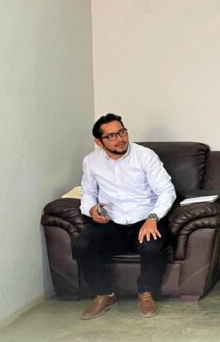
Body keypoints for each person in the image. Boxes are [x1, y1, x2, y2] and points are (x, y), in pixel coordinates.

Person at [74, 113, 176, 320]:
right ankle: (104, 294)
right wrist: (91, 209)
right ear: (99, 142)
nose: (120, 139)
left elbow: (167, 190)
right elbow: (88, 192)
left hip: (145, 218)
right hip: (111, 222)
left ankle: (146, 293)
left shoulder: (145, 156)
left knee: (152, 244)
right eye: (111, 136)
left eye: (122, 132)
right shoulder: (91, 161)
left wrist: (153, 218)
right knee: (81, 244)